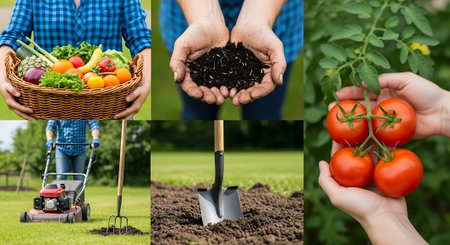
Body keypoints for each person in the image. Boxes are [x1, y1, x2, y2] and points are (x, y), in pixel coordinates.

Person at [318, 72, 450, 245]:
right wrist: (442, 108)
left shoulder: (346, 125)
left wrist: (442, 108)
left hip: (381, 122)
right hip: (391, 117)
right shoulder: (402, 153)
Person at [0, 0, 151, 120]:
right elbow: (12, 37)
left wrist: (146, 82)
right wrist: (3, 79)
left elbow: (141, 39)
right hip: (49, 107)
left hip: (109, 107)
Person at [160, 0, 303, 119]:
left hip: (270, 19)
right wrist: (204, 18)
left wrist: (258, 17)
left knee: (265, 115)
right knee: (196, 115)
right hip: (192, 16)